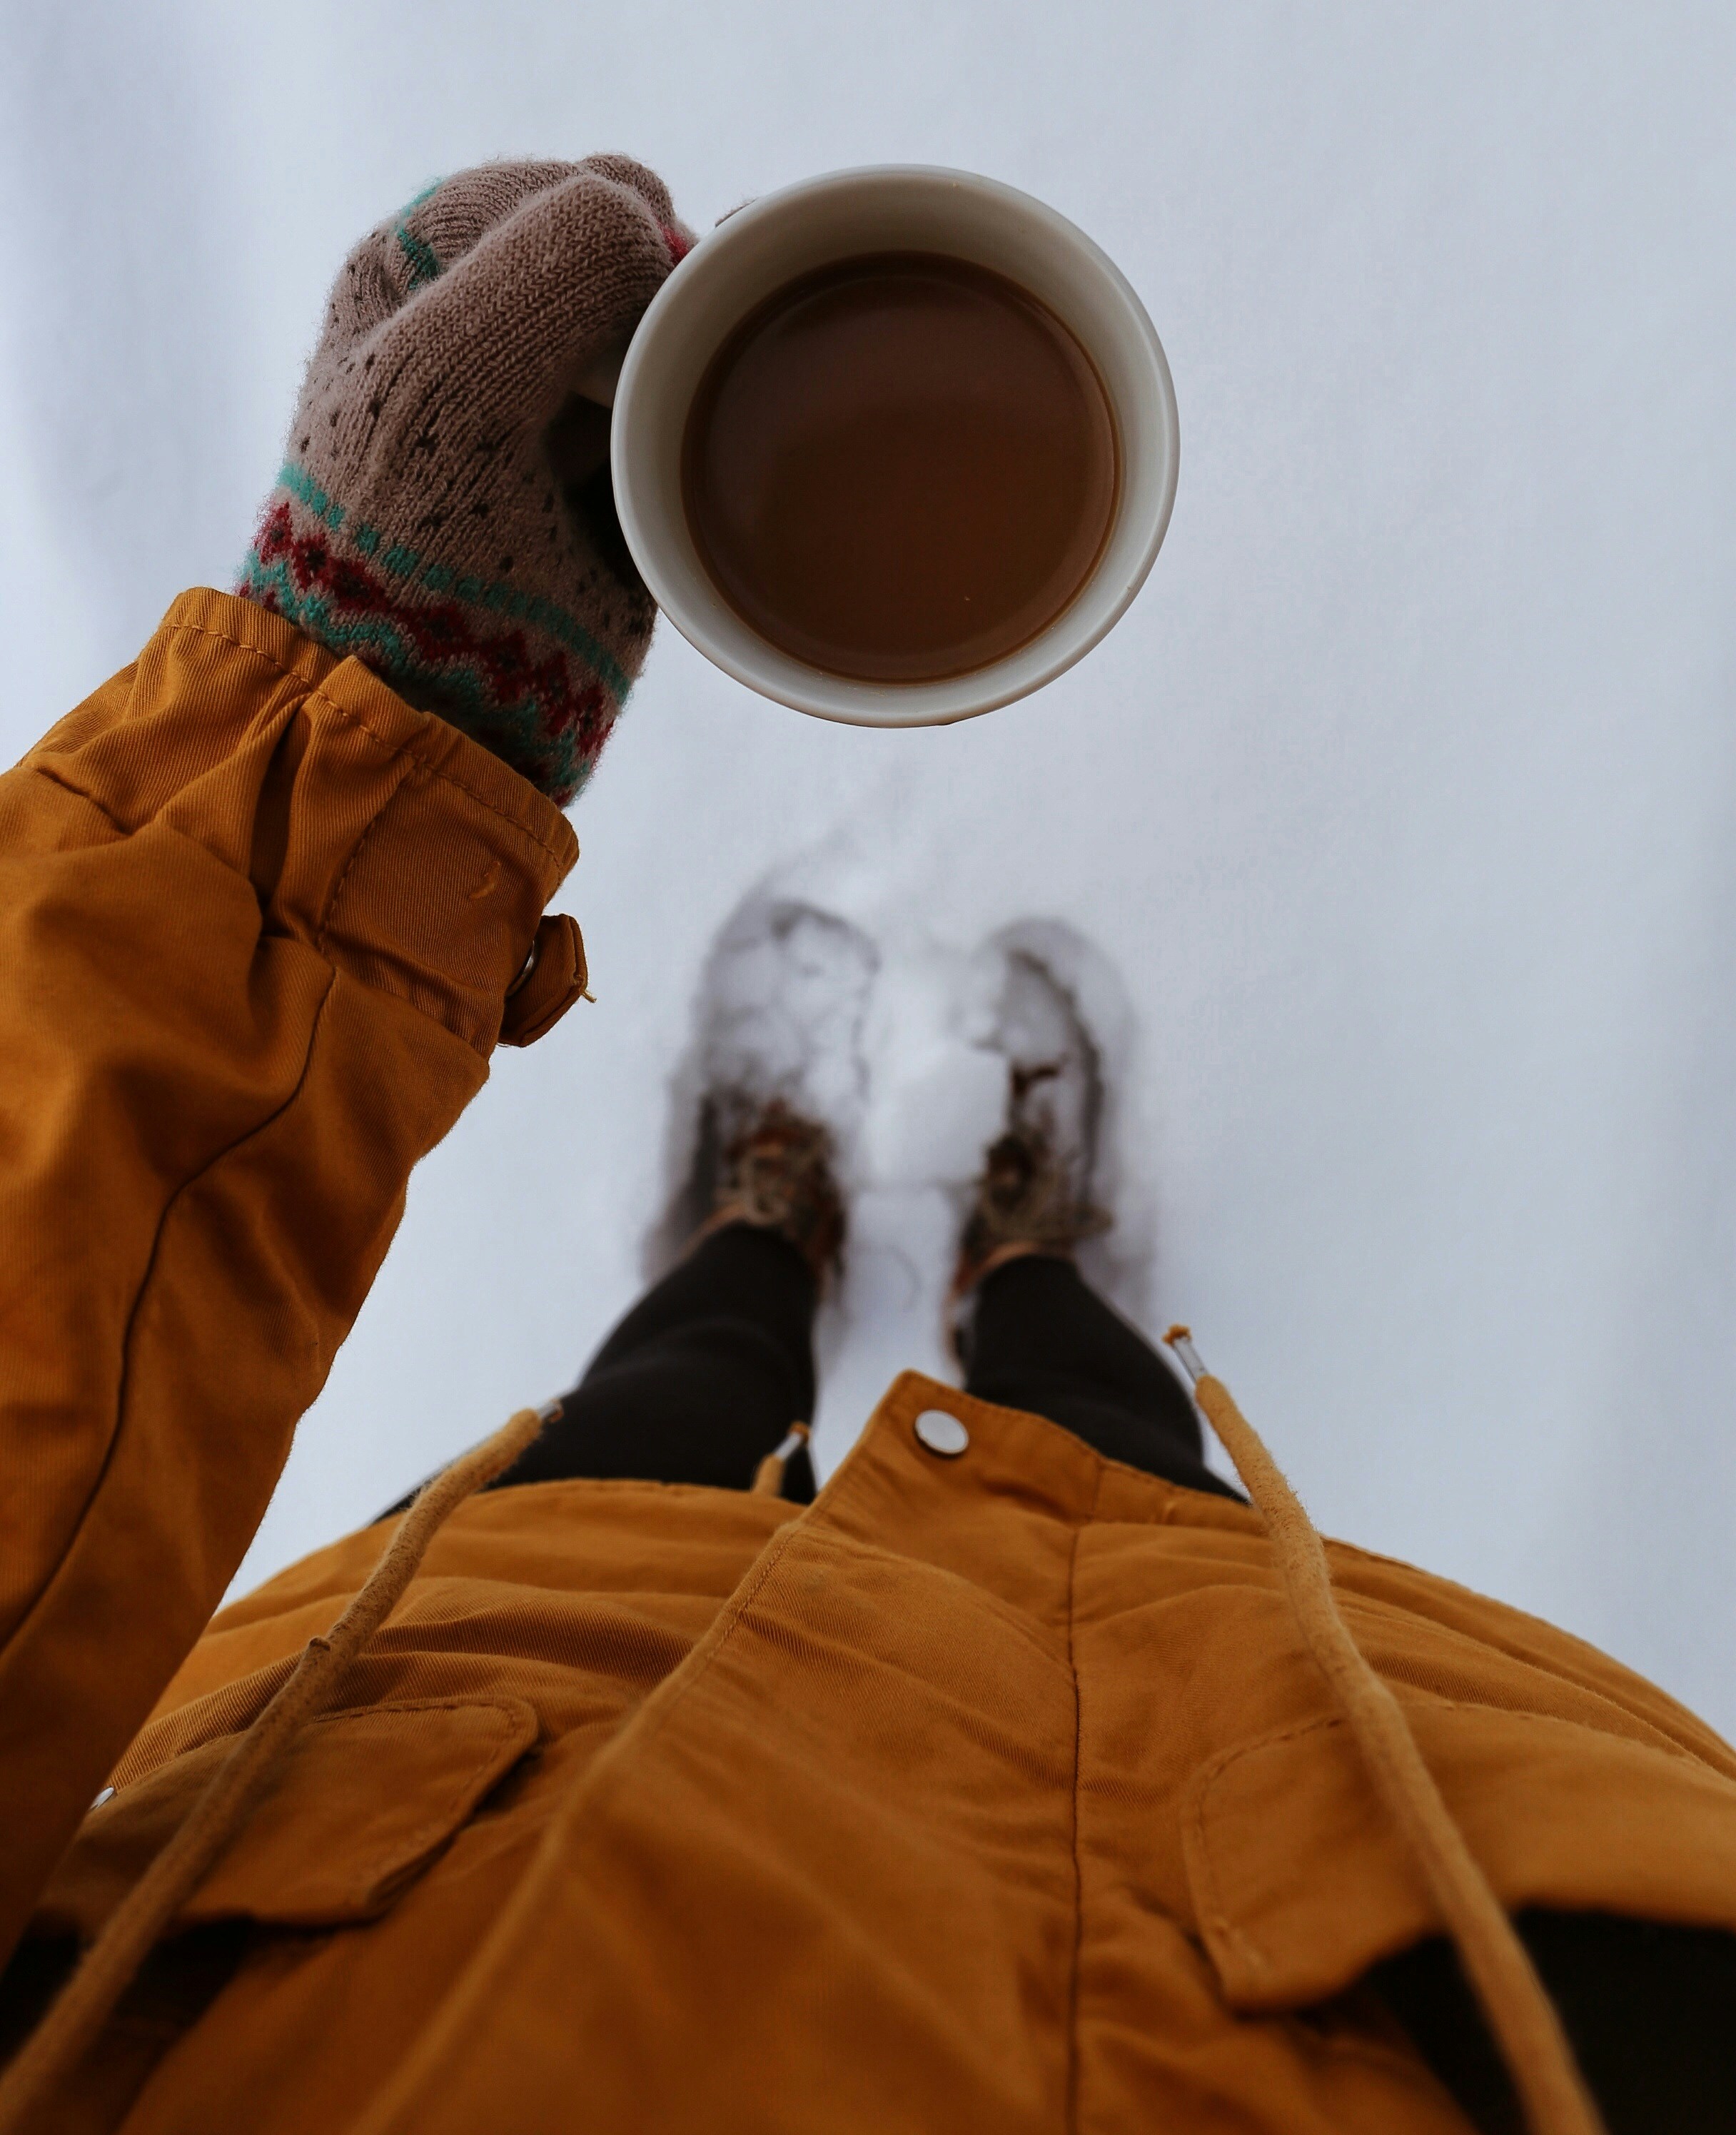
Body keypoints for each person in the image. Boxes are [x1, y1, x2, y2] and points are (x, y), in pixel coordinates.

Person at [0, 158, 1732, 2135]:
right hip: (1319, 1787)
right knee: (1111, 1472)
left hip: (452, 1752)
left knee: (649, 1427)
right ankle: (1021, 1264)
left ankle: (766, 1238)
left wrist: (333, 746)